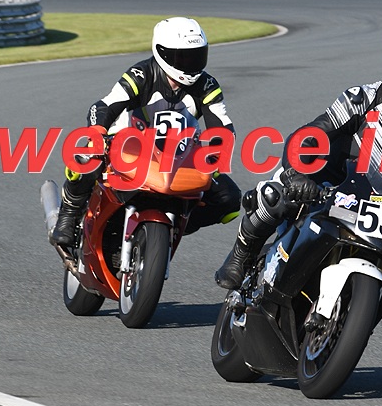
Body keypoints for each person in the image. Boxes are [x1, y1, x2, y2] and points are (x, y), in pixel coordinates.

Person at [215, 33, 382, 295]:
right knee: (275, 196)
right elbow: (307, 137)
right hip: (324, 187)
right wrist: (296, 175)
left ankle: (366, 300)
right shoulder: (362, 99)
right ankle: (242, 253)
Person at [49, 16, 242, 247]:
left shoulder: (207, 85)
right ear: (161, 53)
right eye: (182, 57)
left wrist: (215, 154)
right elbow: (105, 105)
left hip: (180, 156)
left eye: (196, 56)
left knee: (230, 200)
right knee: (85, 156)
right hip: (130, 147)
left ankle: (174, 226)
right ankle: (68, 215)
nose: (191, 64)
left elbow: (222, 126)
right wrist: (99, 132)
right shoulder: (142, 73)